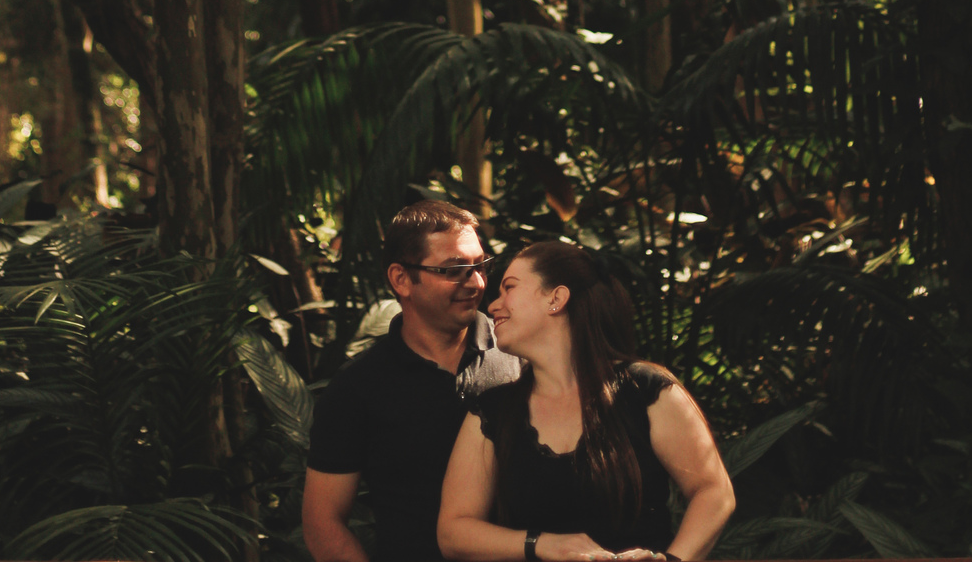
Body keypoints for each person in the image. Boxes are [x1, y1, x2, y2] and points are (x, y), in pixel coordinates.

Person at [437, 241, 735, 562]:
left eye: (509, 287)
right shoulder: (492, 412)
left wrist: (674, 560)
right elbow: (454, 532)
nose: (493, 305)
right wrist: (543, 545)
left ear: (556, 298)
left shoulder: (644, 388)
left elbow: (713, 492)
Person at [303, 201, 521, 562]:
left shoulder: (519, 355)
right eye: (456, 270)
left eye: (481, 265)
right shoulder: (357, 387)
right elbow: (322, 523)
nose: (477, 282)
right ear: (401, 279)